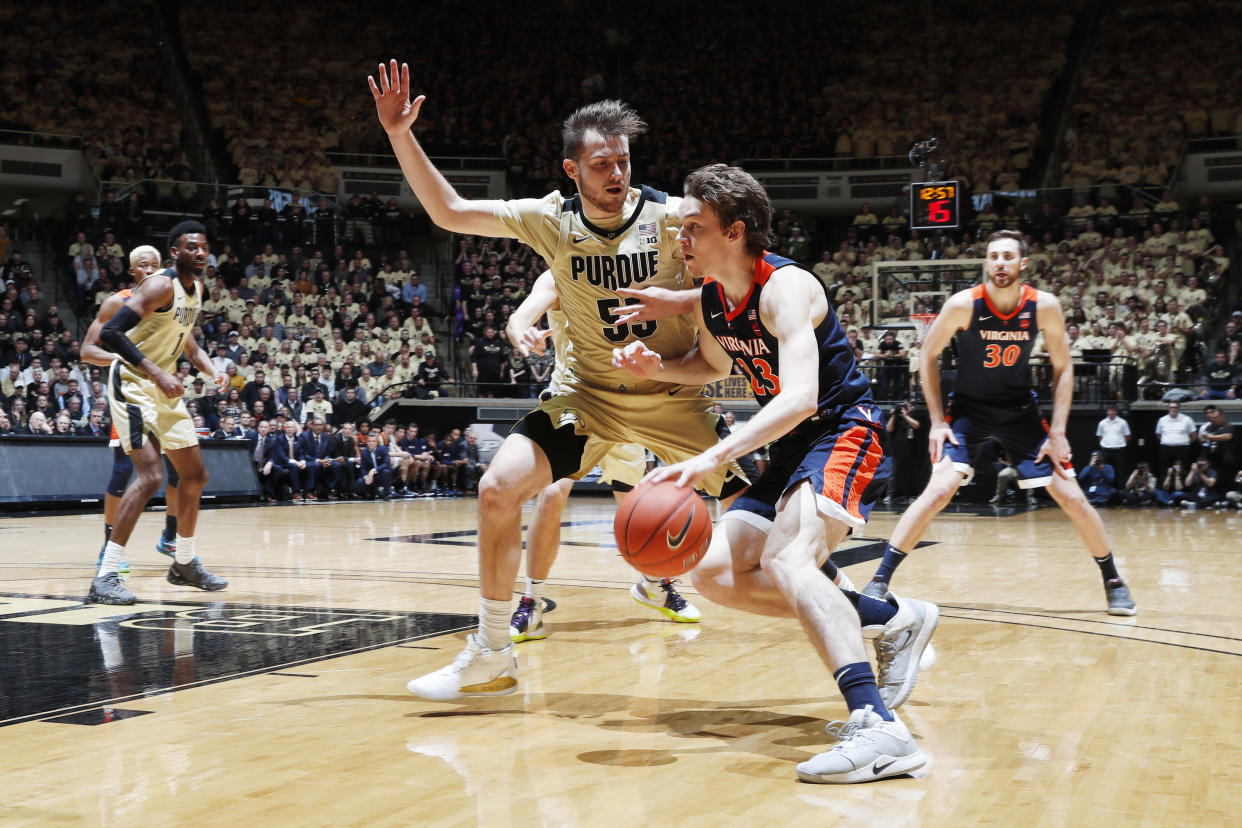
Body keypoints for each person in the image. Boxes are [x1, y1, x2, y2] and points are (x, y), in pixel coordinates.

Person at [372, 64, 747, 701]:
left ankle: (868, 621)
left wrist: (686, 316)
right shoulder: (551, 220)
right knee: (498, 488)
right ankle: (492, 648)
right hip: (589, 400)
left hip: (673, 395)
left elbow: (733, 270)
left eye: (623, 161)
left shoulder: (671, 220)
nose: (617, 174)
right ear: (572, 170)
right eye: (601, 164)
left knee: (766, 515)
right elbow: (450, 210)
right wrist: (398, 134)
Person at [612, 164, 933, 783]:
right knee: (711, 572)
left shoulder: (786, 287)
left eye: (694, 227)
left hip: (844, 429)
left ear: (734, 232)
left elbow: (801, 398)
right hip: (792, 449)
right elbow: (708, 364)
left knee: (789, 563)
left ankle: (879, 729)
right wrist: (657, 369)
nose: (681, 238)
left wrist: (714, 456)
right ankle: (890, 617)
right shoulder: (712, 298)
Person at [860, 229, 1137, 616]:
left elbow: (1063, 367)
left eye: (1008, 256)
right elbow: (927, 355)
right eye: (993, 256)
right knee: (939, 490)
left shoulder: (1044, 306)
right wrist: (938, 421)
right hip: (968, 411)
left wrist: (1057, 432)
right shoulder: (962, 304)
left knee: (1072, 496)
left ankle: (1114, 582)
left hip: (1020, 412)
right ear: (986, 262)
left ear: (1022, 263)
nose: (1000, 263)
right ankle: (879, 579)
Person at [503, 270, 705, 644]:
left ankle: (653, 584)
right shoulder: (560, 273)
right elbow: (521, 316)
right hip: (572, 403)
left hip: (625, 404)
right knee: (551, 494)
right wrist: (522, 332)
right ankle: (531, 599)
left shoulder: (640, 268)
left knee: (638, 506)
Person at [89, 221, 227, 605]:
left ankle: (183, 564)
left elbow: (187, 343)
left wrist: (213, 372)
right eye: (191, 247)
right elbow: (111, 334)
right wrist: (158, 372)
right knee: (150, 476)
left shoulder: (195, 289)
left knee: (195, 475)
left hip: (163, 386)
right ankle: (105, 576)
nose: (200, 252)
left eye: (204, 247)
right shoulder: (160, 285)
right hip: (133, 381)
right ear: (175, 253)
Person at [80, 245, 181, 575]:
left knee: (180, 468)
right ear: (133, 271)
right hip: (129, 391)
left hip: (161, 393)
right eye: (143, 264)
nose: (150, 268)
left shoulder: (168, 300)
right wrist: (125, 359)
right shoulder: (116, 302)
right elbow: (88, 351)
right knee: (124, 471)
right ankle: (108, 547)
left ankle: (170, 536)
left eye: (155, 263)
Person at [1155, 401, 1196, 475]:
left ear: (1178, 409)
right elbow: (1158, 434)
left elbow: (1194, 435)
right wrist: (1167, 441)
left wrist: (1185, 442)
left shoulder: (1187, 419)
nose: (1173, 409)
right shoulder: (1162, 420)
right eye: (1171, 407)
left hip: (1182, 449)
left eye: (1175, 407)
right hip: (1166, 448)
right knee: (1165, 469)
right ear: (1168, 409)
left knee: (1183, 469)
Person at [1095, 405, 1131, 484]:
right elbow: (1100, 436)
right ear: (1107, 412)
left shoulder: (1123, 422)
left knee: (1120, 470)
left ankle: (1120, 490)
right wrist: (1105, 444)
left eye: (1113, 411)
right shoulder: (1102, 423)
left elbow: (1128, 436)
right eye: (1109, 411)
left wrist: (1120, 443)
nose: (1111, 412)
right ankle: (1107, 489)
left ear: (1116, 412)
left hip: (1119, 450)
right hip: (1106, 450)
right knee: (1106, 469)